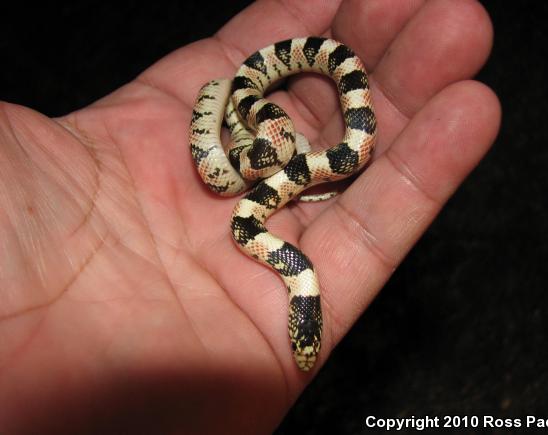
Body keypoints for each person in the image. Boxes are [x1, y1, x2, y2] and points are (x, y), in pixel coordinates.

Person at [0, 0, 500, 433]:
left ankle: (246, 102)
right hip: (255, 119)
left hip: (262, 128)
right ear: (301, 307)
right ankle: (244, 100)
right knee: (249, 106)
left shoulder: (248, 226)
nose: (300, 346)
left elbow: (319, 162)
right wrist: (251, 119)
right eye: (300, 335)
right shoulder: (259, 221)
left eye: (300, 337)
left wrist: (258, 133)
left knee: (296, 131)